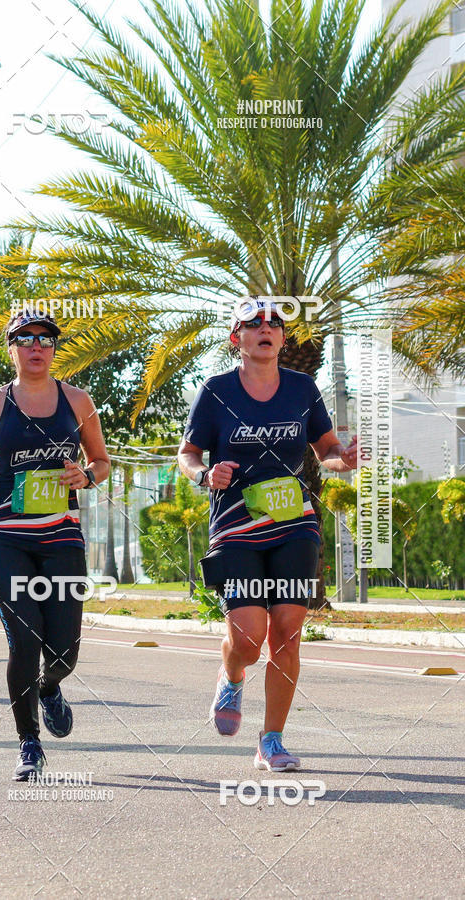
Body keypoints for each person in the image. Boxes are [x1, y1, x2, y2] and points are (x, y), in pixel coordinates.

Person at [177, 297, 357, 772]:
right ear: (236, 338)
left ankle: (271, 741)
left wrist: (346, 460)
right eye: (253, 323)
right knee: (249, 635)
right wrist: (203, 474)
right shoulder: (216, 391)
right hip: (236, 526)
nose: (266, 327)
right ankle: (232, 674)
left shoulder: (302, 388)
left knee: (288, 633)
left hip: (294, 525)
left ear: (282, 337)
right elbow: (188, 453)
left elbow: (327, 450)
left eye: (274, 322)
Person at [0, 312, 110, 781]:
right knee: (24, 638)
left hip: (61, 535)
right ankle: (29, 743)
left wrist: (85, 476)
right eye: (25, 339)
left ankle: (49, 688)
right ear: (12, 348)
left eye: (45, 339)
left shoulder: (78, 400)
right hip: (4, 536)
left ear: (53, 349)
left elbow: (102, 462)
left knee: (65, 651)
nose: (36, 346)